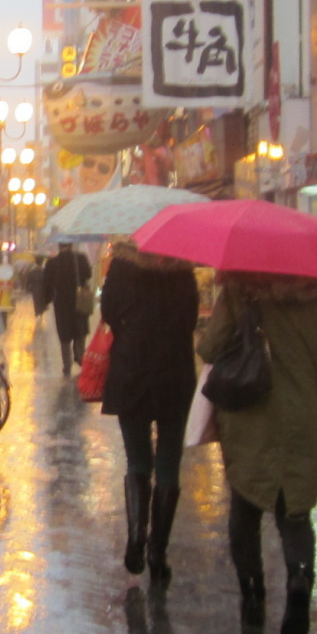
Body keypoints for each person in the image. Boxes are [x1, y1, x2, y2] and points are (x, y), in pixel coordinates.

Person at [198, 270, 317, 634]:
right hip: (299, 423)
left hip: (249, 417)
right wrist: (305, 383)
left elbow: (210, 349)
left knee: (244, 511)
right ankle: (298, 581)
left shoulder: (239, 294)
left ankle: (252, 596)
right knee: (295, 514)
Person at [101, 239, 199, 583]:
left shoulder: (122, 265)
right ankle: (158, 552)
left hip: (132, 369)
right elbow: (190, 320)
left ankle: (136, 537)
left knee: (138, 460)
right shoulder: (183, 270)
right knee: (169, 463)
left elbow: (108, 311)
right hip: (175, 371)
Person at [43, 240, 93, 376]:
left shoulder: (52, 263)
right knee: (80, 329)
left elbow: (47, 284)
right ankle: (79, 354)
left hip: (61, 303)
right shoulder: (80, 258)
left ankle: (67, 366)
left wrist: (46, 301)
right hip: (79, 300)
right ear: (71, 245)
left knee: (64, 334)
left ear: (59, 246)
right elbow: (88, 275)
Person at [25, 255, 47, 322]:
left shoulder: (32, 271)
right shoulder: (45, 271)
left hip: (35, 288)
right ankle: (40, 313)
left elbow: (28, 280)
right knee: (42, 301)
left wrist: (27, 288)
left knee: (36, 301)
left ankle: (38, 314)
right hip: (43, 288)